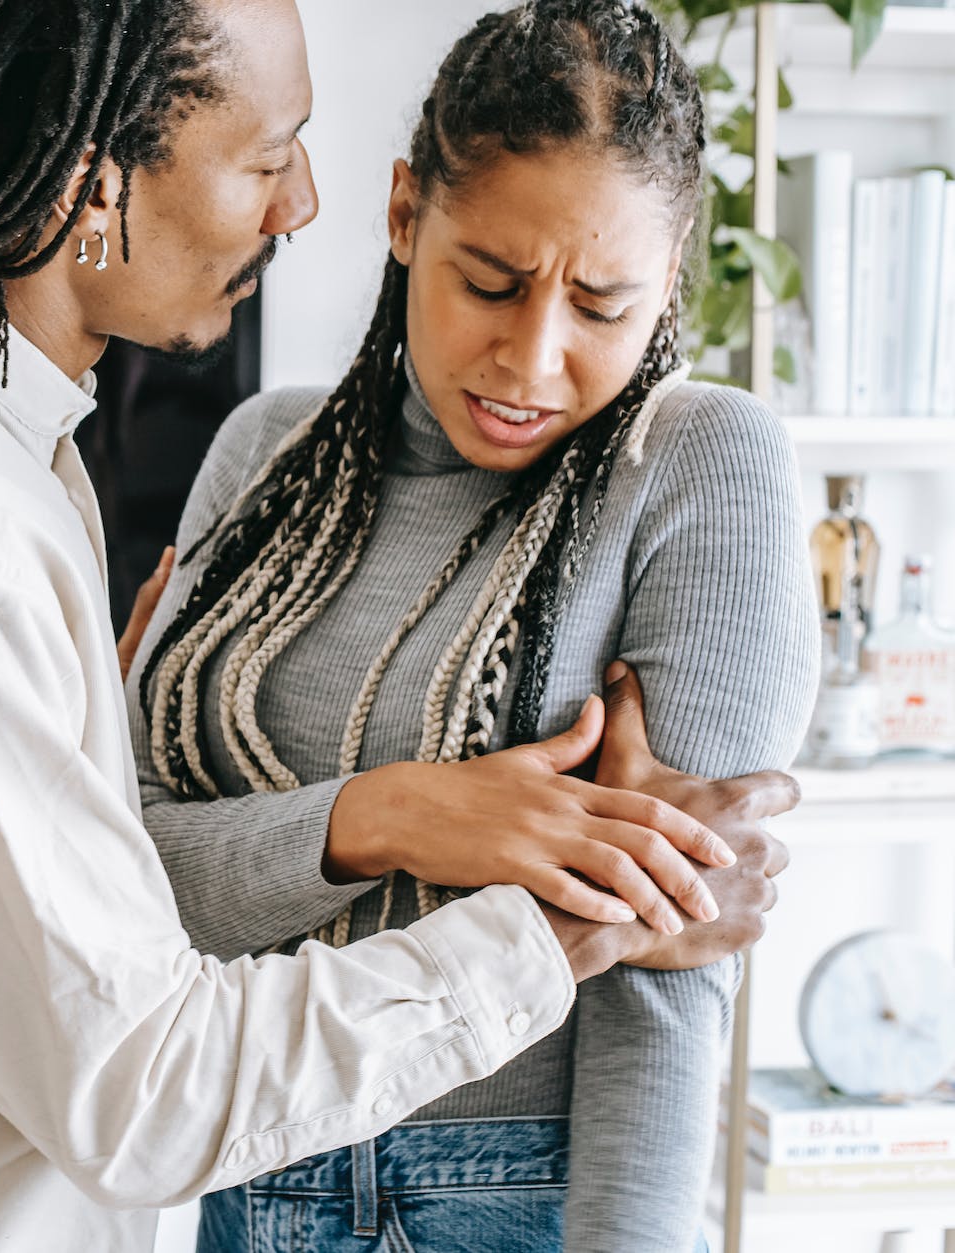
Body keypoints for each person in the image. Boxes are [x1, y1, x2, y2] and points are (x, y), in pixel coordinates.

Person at [0, 2, 794, 1250]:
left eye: (601, 303)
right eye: (267, 156)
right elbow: (141, 1050)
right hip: (215, 1179)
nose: (299, 206)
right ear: (92, 180)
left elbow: (669, 1004)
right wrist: (515, 887)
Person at [129, 3, 818, 1250]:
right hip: (245, 1161)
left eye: (601, 307)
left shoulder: (695, 468)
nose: (531, 359)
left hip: (511, 1197)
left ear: (668, 276)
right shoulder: (260, 454)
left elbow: (664, 973)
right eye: (488, 283)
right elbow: (120, 880)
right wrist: (387, 813)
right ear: (404, 215)